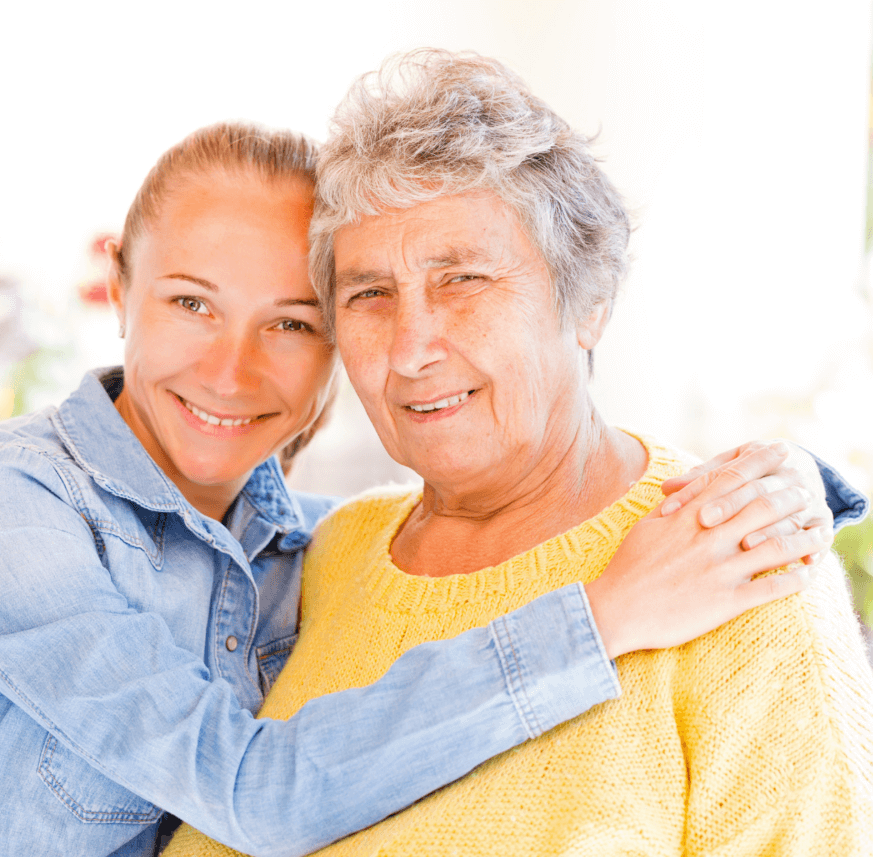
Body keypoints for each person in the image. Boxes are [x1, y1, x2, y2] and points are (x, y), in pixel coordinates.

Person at [0, 121, 861, 857]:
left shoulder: (307, 545)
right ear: (117, 285)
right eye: (190, 302)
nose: (231, 369)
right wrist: (598, 619)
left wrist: (780, 486)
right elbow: (255, 788)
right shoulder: (8, 508)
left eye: (294, 322)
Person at [166, 51, 873, 857]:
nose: (408, 350)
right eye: (369, 294)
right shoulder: (323, 559)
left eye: (462, 279)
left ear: (590, 300)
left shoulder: (740, 568)